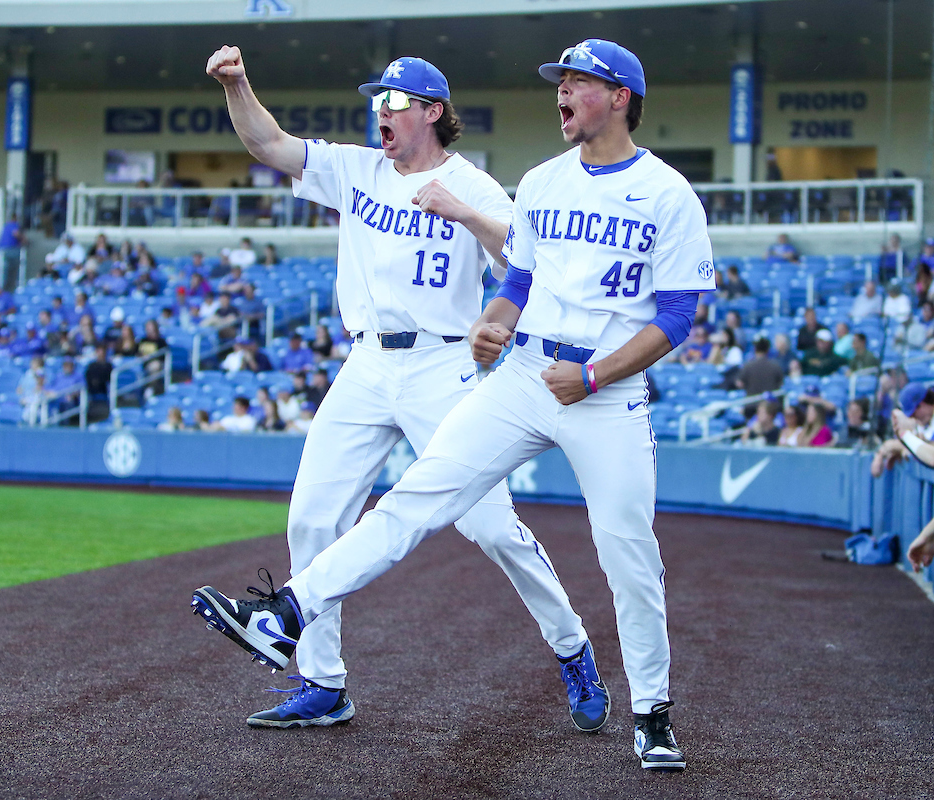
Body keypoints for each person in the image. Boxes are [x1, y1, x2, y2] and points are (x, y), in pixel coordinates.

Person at [193, 39, 701, 770]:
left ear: (432, 111)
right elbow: (268, 142)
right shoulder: (358, 167)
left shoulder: (492, 186)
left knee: (494, 531)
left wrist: (464, 215)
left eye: (395, 101)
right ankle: (320, 676)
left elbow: (527, 257)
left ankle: (574, 648)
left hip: (446, 362)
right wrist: (237, 85)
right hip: (371, 359)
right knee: (314, 514)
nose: (381, 112)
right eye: (377, 100)